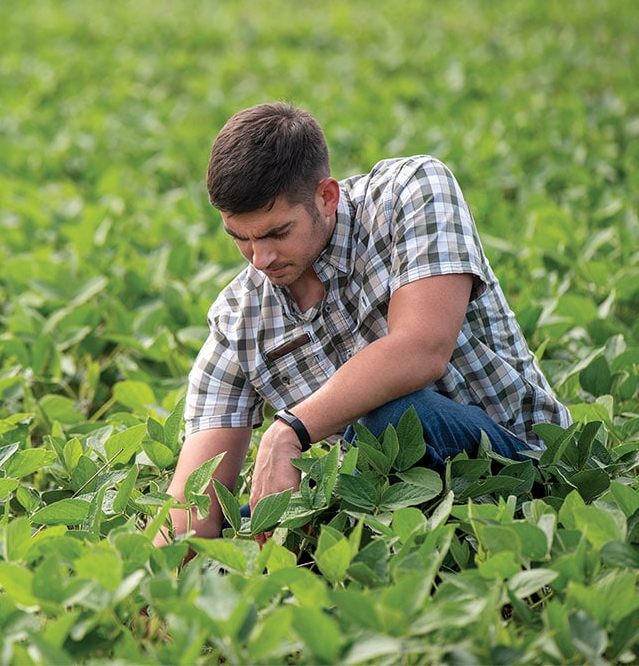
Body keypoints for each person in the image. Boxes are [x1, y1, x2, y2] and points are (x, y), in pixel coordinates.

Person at [156, 102, 571, 547]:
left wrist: (289, 430)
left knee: (396, 419)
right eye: (241, 238)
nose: (261, 259)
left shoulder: (411, 192)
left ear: (327, 197)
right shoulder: (238, 318)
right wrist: (153, 594)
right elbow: (192, 501)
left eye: (277, 233)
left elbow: (422, 349)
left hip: (523, 467)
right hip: (372, 496)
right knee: (237, 531)